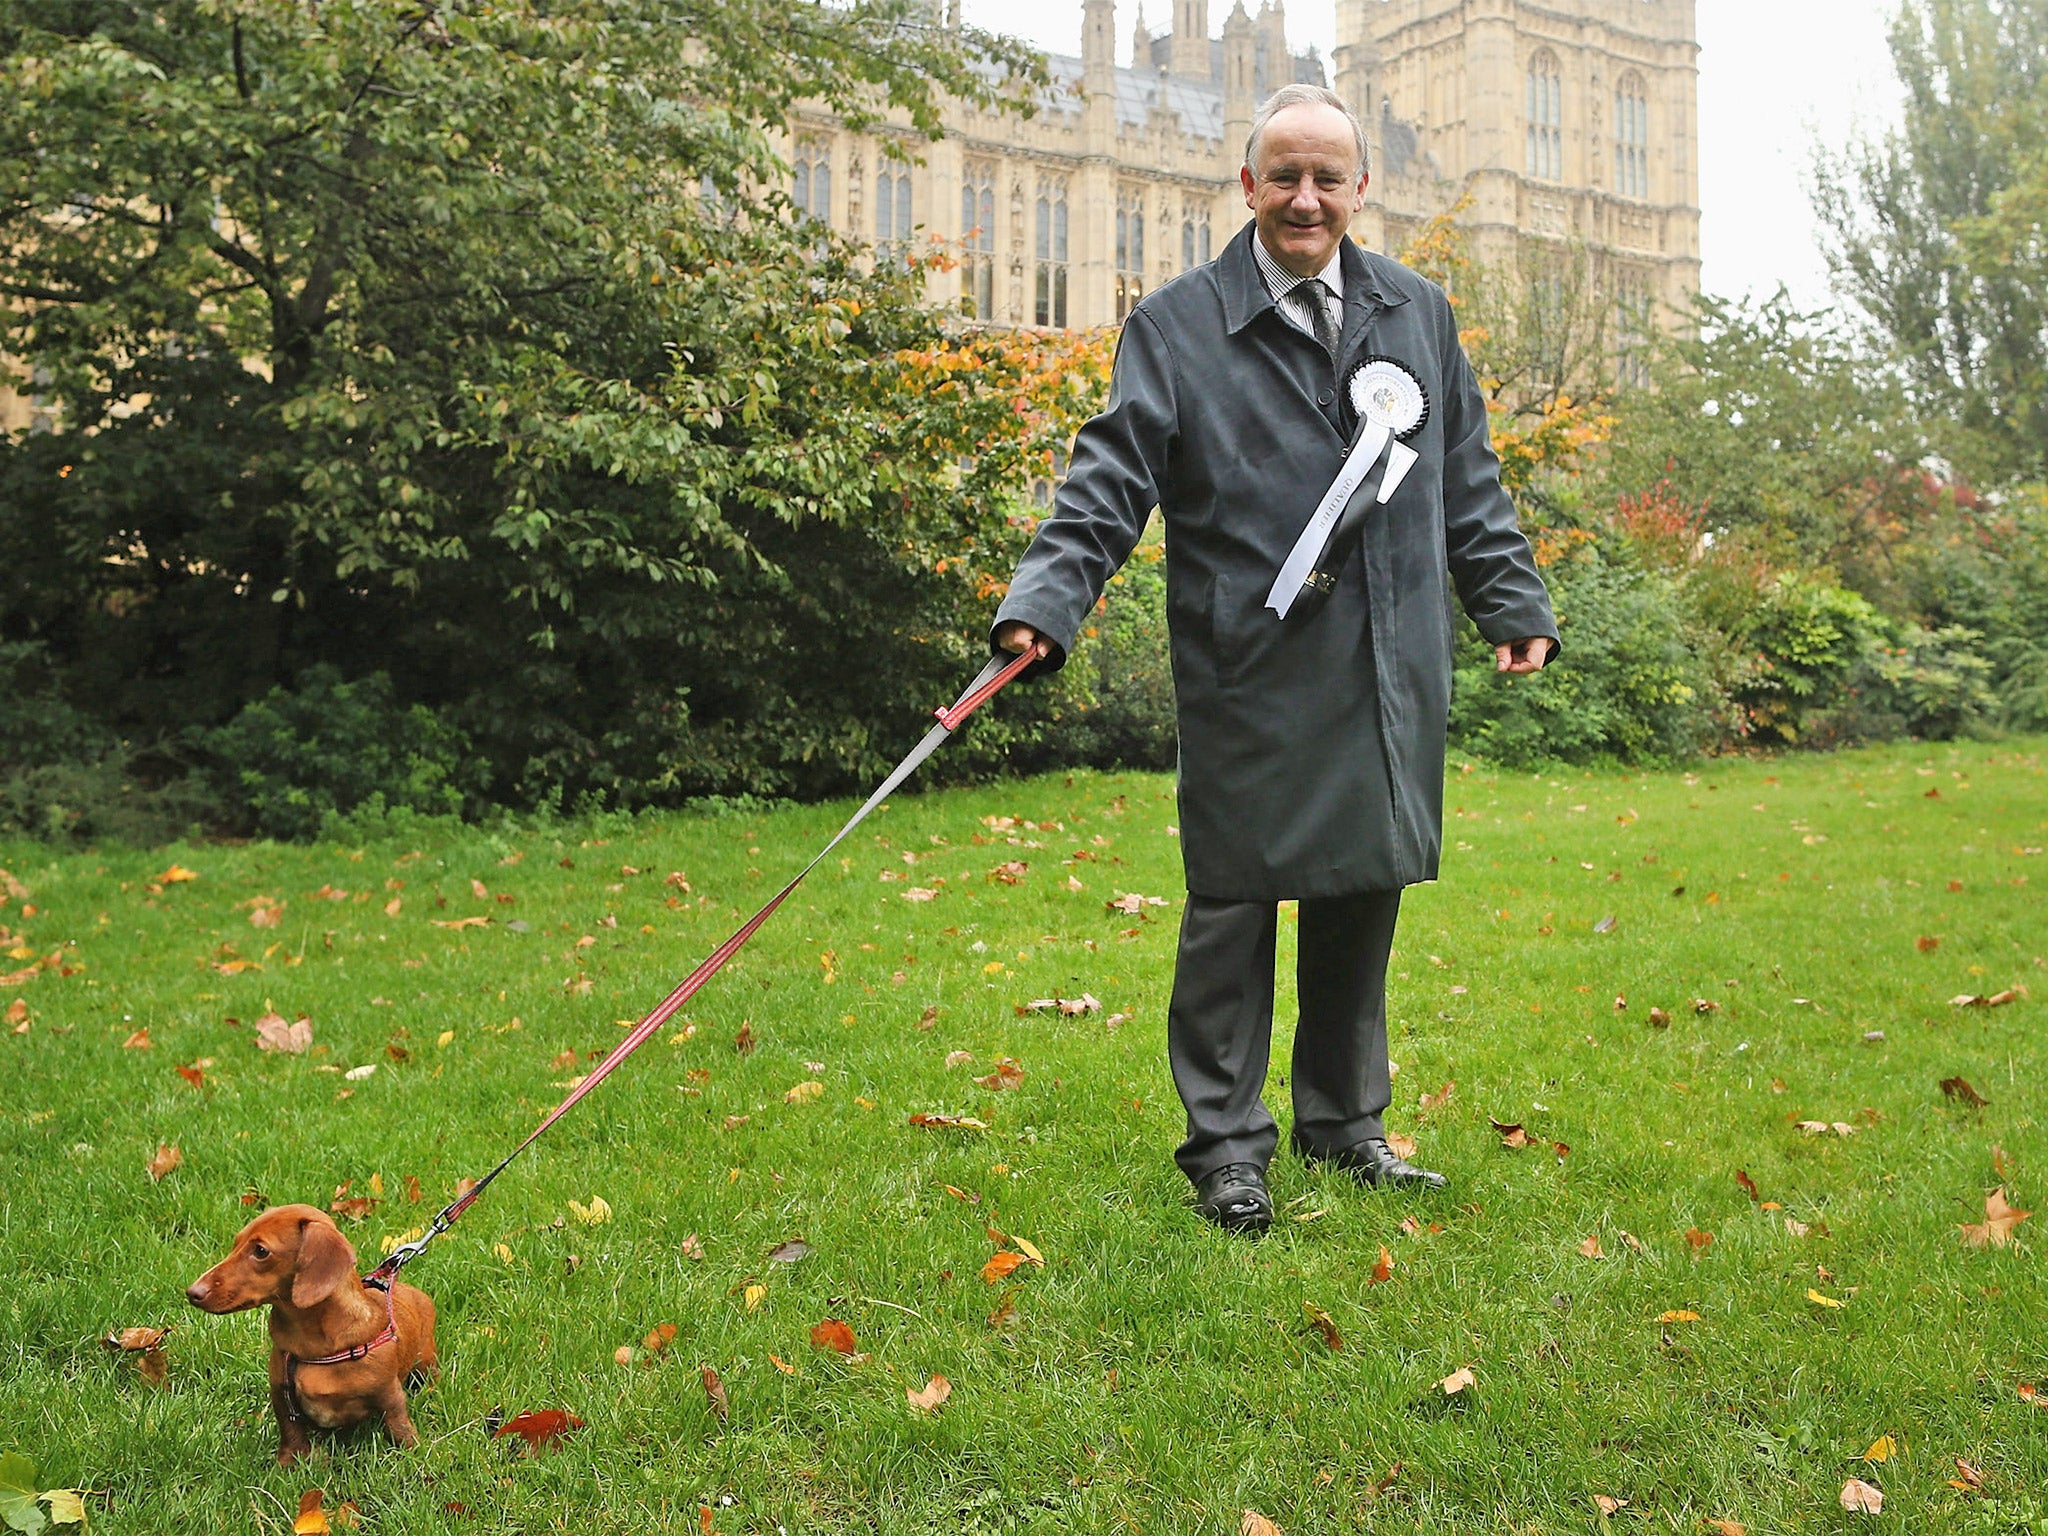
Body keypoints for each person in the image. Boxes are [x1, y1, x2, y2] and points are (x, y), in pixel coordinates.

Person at [990, 84, 1559, 1236]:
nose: (1306, 198)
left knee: (1362, 893)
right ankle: (1226, 1147)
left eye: (1326, 178)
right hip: (1247, 657)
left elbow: (1466, 476)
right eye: (1283, 176)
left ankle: (1346, 1128)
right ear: (1245, 187)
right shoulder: (1176, 323)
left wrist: (1507, 595)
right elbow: (1108, 479)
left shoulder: (1418, 312)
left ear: (1360, 190)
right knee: (1233, 904)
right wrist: (1046, 603)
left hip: (1383, 660)